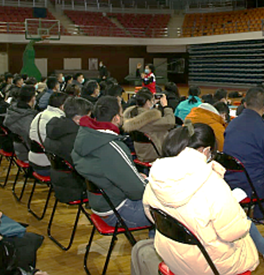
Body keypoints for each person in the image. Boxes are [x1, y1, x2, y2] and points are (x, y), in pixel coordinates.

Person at [143, 123, 264, 274]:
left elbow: (152, 216)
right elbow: (234, 232)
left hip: (172, 256)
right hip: (209, 264)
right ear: (206, 151)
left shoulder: (156, 177)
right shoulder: (211, 182)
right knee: (243, 225)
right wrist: (233, 207)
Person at [72, 96, 151, 229]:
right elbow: (138, 192)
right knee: (170, 211)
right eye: (121, 112)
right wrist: (145, 182)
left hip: (100, 204)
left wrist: (135, 176)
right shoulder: (112, 147)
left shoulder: (85, 136)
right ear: (116, 118)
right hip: (119, 211)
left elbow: (106, 170)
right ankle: (154, 241)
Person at [223, 87, 264, 220]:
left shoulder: (231, 125)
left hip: (230, 180)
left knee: (260, 168)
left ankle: (261, 213)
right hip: (252, 185)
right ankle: (263, 215)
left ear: (245, 104)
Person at [45, 96, 92, 204]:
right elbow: (87, 168)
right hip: (76, 189)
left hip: (60, 184)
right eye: (88, 117)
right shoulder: (75, 139)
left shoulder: (54, 129)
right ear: (78, 119)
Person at [122, 91, 175, 163]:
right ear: (147, 102)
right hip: (153, 153)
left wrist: (153, 106)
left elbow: (148, 117)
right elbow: (170, 122)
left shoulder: (132, 114)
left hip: (142, 152)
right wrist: (166, 106)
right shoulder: (149, 120)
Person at [29, 92, 68, 176]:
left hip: (33, 161)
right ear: (62, 106)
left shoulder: (39, 115)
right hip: (47, 166)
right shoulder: (58, 120)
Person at [4, 85, 38, 162]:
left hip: (17, 148)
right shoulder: (28, 118)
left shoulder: (12, 110)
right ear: (33, 98)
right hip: (27, 154)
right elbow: (32, 142)